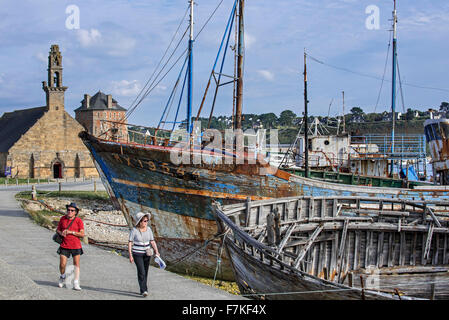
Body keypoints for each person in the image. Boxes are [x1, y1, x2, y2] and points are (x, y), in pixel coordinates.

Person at [128, 212, 160, 297]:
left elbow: (152, 241)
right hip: (137, 254)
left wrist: (157, 251)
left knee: (145, 272)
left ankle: (144, 288)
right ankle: (143, 290)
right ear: (140, 222)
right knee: (141, 271)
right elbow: (130, 243)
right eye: (145, 221)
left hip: (147, 253)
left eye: (147, 221)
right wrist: (130, 255)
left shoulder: (148, 229)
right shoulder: (134, 230)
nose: (146, 222)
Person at [56, 202, 85, 291]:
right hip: (64, 245)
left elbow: (82, 234)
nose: (70, 212)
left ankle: (76, 282)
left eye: (72, 210)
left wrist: (71, 232)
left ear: (75, 212)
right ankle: (62, 276)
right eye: (68, 210)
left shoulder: (78, 221)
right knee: (62, 264)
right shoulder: (63, 219)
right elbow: (58, 229)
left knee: (76, 264)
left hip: (76, 245)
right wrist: (61, 233)